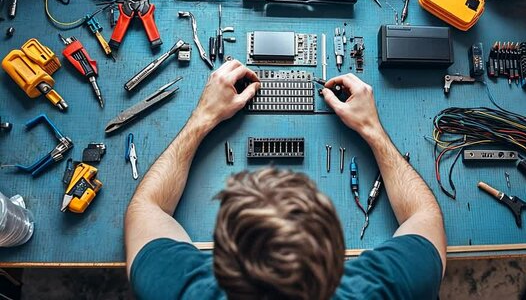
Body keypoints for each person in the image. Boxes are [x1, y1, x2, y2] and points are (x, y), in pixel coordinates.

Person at [125, 60, 447, 299]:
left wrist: (202, 118)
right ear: (337, 261)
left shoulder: (179, 290)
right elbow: (425, 217)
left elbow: (146, 208)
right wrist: (372, 130)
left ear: (218, 262)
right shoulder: (381, 290)